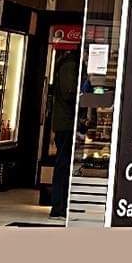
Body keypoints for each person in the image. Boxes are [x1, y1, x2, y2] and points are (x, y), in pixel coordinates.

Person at [49, 46, 82, 220]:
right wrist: (83, 96)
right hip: (66, 123)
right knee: (63, 165)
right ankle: (59, 207)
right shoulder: (70, 66)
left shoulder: (67, 64)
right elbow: (69, 92)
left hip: (65, 123)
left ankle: (61, 206)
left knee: (64, 164)